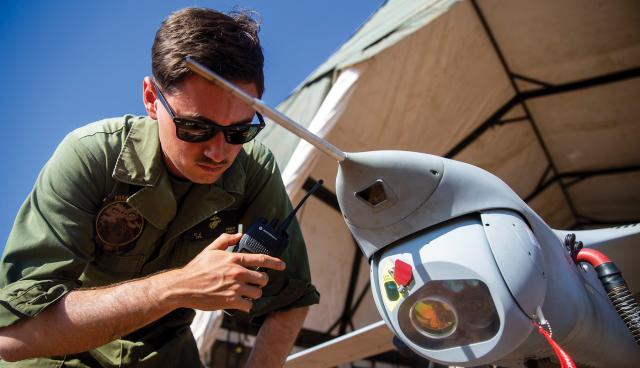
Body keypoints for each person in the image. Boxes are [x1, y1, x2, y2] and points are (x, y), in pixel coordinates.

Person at [0, 7, 319, 367]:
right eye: (195, 128)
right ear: (152, 99)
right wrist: (179, 286)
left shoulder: (253, 169)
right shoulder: (92, 156)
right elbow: (13, 335)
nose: (219, 152)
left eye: (239, 132)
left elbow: (292, 298)